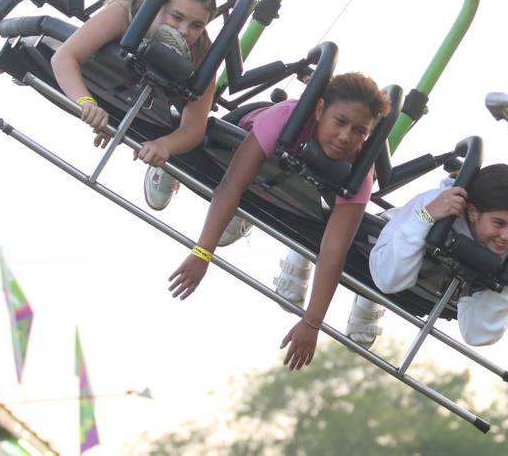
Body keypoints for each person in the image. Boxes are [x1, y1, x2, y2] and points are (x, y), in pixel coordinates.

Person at [167, 72, 390, 370]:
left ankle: (248, 216)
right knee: (202, 149)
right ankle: (168, 164)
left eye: (360, 131)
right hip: (238, 149)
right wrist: (202, 252)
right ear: (321, 110)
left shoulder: (361, 169)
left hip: (294, 195)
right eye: (340, 121)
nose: (346, 136)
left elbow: (334, 251)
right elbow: (230, 186)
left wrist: (311, 323)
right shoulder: (286, 116)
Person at [51, 0, 219, 211]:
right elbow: (64, 57)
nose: (184, 31)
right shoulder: (127, 11)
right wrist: (85, 102)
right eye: (177, 17)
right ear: (158, 2)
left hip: (147, 106)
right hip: (97, 80)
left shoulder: (202, 51)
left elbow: (194, 127)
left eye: (197, 25)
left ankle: (169, 175)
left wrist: (166, 145)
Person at [362, 163, 508, 347]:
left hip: (443, 290)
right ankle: (367, 298)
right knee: (385, 271)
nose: (507, 236)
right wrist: (425, 217)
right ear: (472, 213)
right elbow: (387, 280)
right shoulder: (436, 202)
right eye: (499, 223)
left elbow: (477, 335)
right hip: (385, 257)